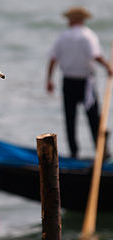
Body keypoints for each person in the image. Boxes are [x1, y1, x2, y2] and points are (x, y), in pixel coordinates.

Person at [46, 6, 113, 158]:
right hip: (85, 83)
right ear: (82, 20)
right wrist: (108, 66)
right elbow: (96, 55)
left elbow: (53, 59)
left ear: (72, 19)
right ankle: (101, 151)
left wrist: (49, 80)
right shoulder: (88, 36)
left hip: (68, 82)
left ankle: (73, 153)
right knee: (93, 118)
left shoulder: (63, 37)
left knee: (70, 119)